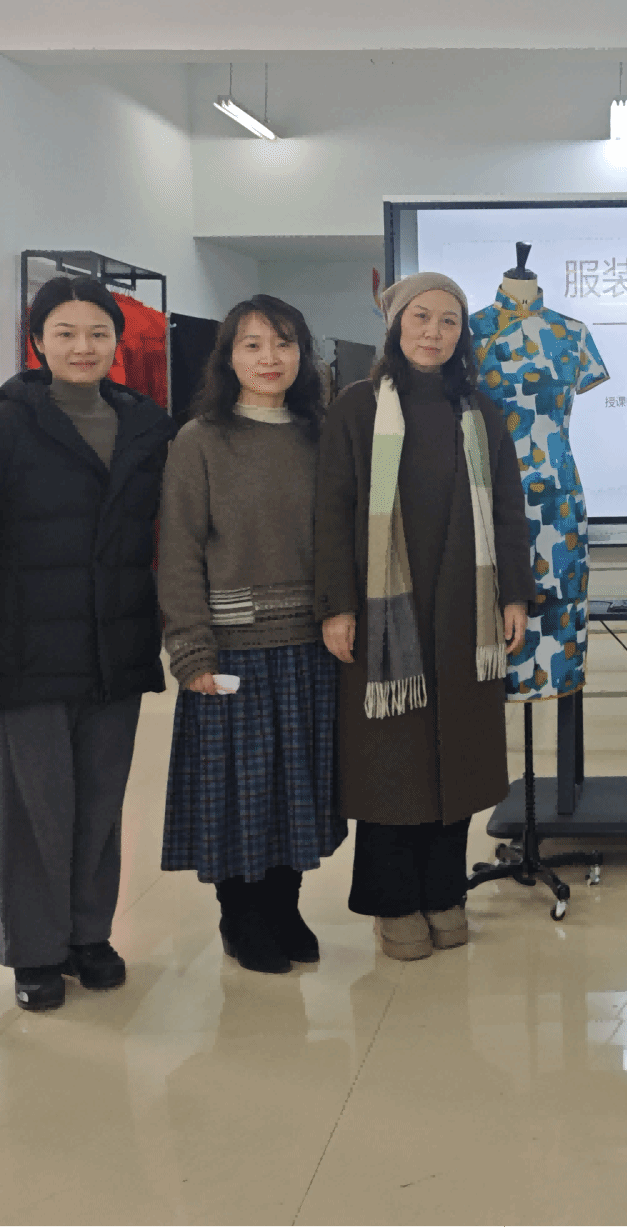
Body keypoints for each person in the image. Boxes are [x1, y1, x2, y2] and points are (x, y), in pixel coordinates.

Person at [0, 275, 175, 1012]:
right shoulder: (1, 430)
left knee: (99, 801)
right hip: (24, 648)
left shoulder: (148, 427)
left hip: (116, 643)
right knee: (31, 810)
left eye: (97, 333)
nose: (82, 346)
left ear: (118, 342)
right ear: (38, 341)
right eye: (65, 332)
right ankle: (34, 951)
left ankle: (89, 936)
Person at [316, 272, 532, 961]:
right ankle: (393, 903)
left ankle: (444, 892)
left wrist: (514, 596)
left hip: (465, 609)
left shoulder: (480, 412)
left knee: (458, 758)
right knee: (393, 762)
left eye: (448, 321)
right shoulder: (356, 408)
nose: (434, 332)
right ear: (394, 324)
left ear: (462, 334)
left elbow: (507, 510)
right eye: (420, 317)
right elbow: (331, 512)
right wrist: (337, 606)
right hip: (386, 611)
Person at [158, 295, 343, 975]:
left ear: (303, 355)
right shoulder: (201, 440)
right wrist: (191, 650)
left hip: (309, 647)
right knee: (240, 793)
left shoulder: (320, 437)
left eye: (284, 343)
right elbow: (179, 550)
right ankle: (241, 917)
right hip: (232, 649)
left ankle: (284, 909)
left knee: (297, 788)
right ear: (228, 357)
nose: (270, 359)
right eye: (253, 345)